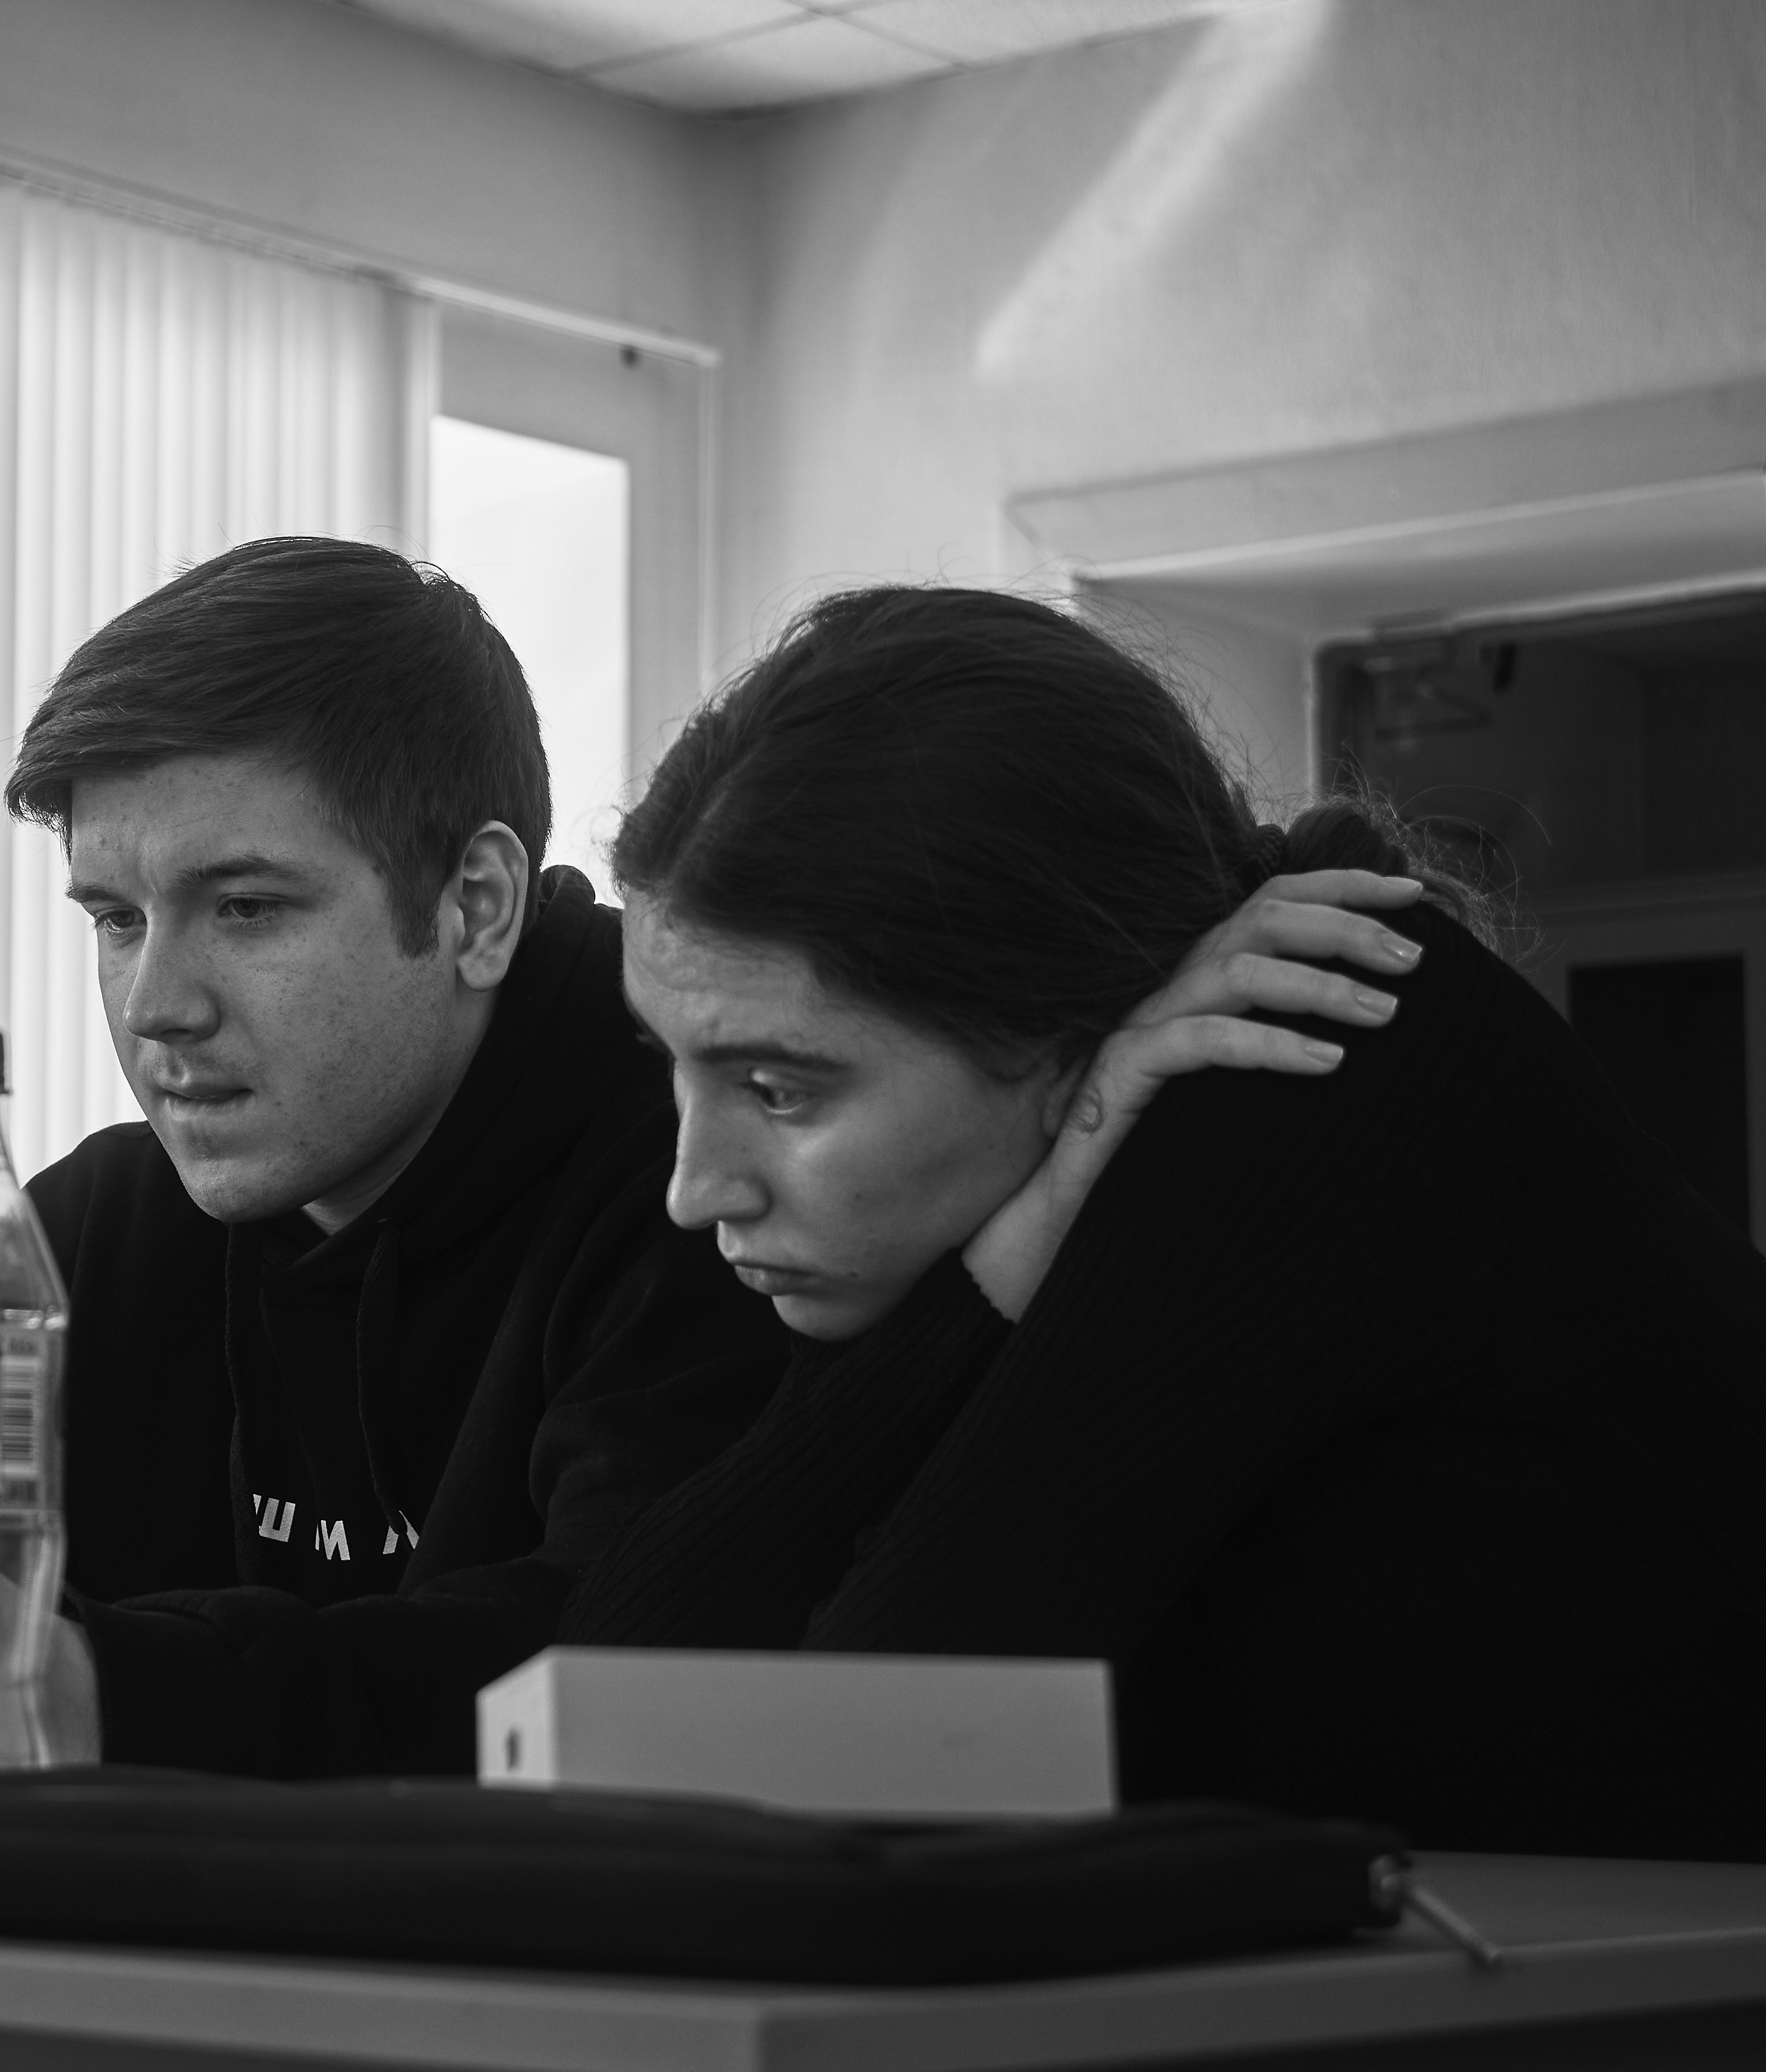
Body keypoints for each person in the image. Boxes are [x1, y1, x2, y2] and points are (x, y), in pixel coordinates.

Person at [561, 586, 1766, 1860]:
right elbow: (610, 1702)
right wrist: (1010, 1253)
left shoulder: (1311, 1047)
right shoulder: (1002, 1181)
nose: (696, 1189)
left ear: (1065, 1031)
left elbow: (880, 1749)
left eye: (778, 1088)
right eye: (673, 1069)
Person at [0, 538, 798, 1772]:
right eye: (116, 920)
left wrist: (114, 1691)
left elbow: (615, 1665)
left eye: (245, 908)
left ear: (475, 906)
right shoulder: (104, 1226)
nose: (153, 1004)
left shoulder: (715, 1188)